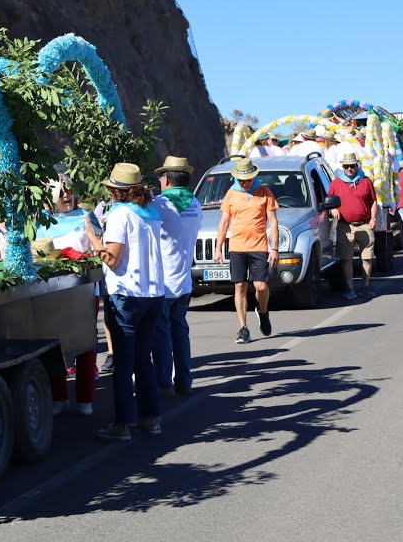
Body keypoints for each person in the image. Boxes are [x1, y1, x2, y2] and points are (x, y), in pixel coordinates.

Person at [83, 163, 165, 442]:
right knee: (144, 359)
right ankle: (151, 419)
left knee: (124, 361)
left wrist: (94, 239)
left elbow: (113, 259)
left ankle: (122, 424)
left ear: (115, 191)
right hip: (154, 292)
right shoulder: (152, 211)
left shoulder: (120, 214)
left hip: (128, 293)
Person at [36, 179, 101, 415]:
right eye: (61, 192)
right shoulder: (43, 219)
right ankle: (58, 397)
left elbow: (98, 249)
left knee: (85, 345)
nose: (66, 196)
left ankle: (85, 399)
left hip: (83, 290)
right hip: (54, 292)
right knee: (54, 345)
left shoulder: (86, 216)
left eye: (69, 191)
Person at [150, 156, 203, 397]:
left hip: (163, 282)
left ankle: (164, 383)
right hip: (183, 280)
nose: (160, 181)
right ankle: (184, 379)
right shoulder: (196, 203)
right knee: (180, 331)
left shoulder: (160, 204)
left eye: (162, 177)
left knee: (161, 334)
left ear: (168, 179)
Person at [213, 157, 280, 344]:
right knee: (240, 286)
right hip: (237, 247)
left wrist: (275, 248)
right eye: (242, 180)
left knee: (261, 286)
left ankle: (263, 311)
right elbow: (224, 222)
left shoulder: (265, 192)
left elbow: (273, 222)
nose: (245, 183)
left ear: (254, 177)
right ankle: (243, 328)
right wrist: (218, 248)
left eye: (248, 180)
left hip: (259, 246)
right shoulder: (231, 194)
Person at [330, 152, 379, 298]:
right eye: (346, 166)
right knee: (346, 259)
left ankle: (365, 286)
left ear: (357, 165)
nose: (349, 169)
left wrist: (373, 219)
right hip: (345, 226)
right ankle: (350, 289)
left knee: (367, 258)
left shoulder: (366, 181)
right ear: (343, 167)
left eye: (352, 166)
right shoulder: (336, 182)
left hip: (364, 224)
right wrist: (333, 208)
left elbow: (373, 202)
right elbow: (330, 199)